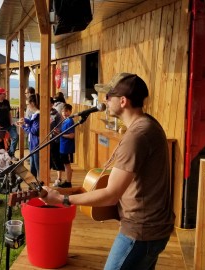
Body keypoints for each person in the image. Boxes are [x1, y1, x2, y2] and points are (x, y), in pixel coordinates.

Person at [41, 73, 175, 270]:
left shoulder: (137, 135)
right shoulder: (146, 124)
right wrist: (62, 192)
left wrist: (63, 200)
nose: (104, 100)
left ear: (122, 101)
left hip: (141, 231)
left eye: (108, 95)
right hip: (152, 229)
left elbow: (111, 195)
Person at [0, 88, 18, 161]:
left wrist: (11, 121)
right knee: (1, 143)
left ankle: (11, 154)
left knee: (15, 137)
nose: (5, 94)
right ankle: (2, 159)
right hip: (0, 127)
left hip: (9, 125)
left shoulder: (6, 102)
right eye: (3, 93)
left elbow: (9, 113)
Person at [17, 94, 40, 177]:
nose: (27, 106)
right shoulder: (36, 115)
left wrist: (23, 126)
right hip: (33, 144)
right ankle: (33, 185)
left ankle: (40, 185)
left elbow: (35, 130)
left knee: (38, 167)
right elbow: (34, 124)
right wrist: (26, 121)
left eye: (27, 104)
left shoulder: (38, 115)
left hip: (36, 144)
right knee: (33, 166)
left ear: (32, 103)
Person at [56, 103, 75, 188]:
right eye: (63, 111)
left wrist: (60, 134)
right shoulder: (64, 120)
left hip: (67, 146)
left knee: (67, 165)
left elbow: (71, 135)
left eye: (66, 111)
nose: (64, 113)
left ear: (70, 112)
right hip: (63, 146)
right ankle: (67, 181)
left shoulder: (70, 121)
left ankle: (68, 182)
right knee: (65, 164)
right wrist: (58, 132)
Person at [49, 98, 65, 184]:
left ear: (52, 104)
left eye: (48, 103)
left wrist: (57, 131)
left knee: (56, 159)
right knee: (47, 160)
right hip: (46, 141)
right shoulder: (42, 113)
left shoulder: (57, 115)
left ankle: (59, 178)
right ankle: (48, 177)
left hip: (55, 141)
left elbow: (60, 127)